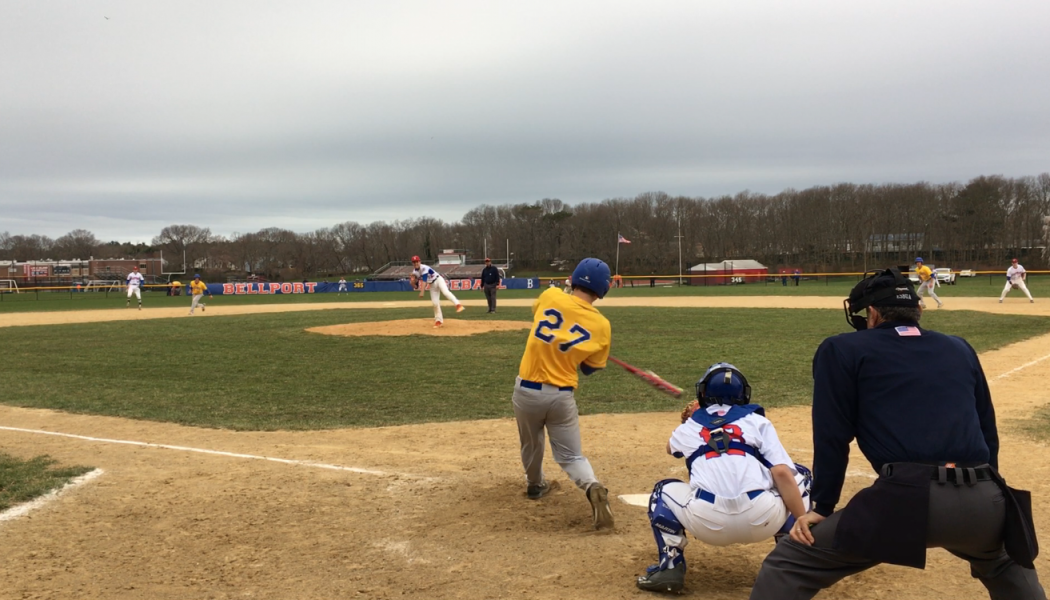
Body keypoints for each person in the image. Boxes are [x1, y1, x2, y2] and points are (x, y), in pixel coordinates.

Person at [748, 267, 1045, 600]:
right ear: (918, 310)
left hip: (906, 501)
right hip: (985, 496)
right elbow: (987, 429)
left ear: (873, 313)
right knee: (1006, 566)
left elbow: (832, 435)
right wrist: (990, 491)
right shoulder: (959, 347)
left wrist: (823, 505)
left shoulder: (841, 349)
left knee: (788, 564)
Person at [636, 363, 812, 593]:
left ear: (703, 393)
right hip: (763, 518)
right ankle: (792, 564)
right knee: (801, 475)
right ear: (743, 394)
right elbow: (781, 473)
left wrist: (694, 421)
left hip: (708, 524)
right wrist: (801, 517)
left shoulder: (690, 426)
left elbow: (671, 448)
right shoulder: (758, 421)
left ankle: (670, 569)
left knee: (663, 490)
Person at [512, 257, 615, 530]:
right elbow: (590, 369)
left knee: (531, 443)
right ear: (603, 289)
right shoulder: (601, 326)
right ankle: (591, 485)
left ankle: (535, 484)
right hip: (561, 397)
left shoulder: (551, 296)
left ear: (574, 278)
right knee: (571, 456)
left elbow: (540, 317)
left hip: (526, 392)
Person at [410, 255, 463, 328]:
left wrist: (422, 292)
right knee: (435, 303)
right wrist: (412, 283)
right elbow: (416, 286)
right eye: (414, 262)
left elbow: (424, 280)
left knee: (445, 292)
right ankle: (438, 321)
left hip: (438, 280)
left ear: (420, 262)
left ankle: (458, 304)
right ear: (412, 263)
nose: (416, 263)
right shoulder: (414, 272)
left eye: (417, 261)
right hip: (432, 285)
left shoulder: (424, 268)